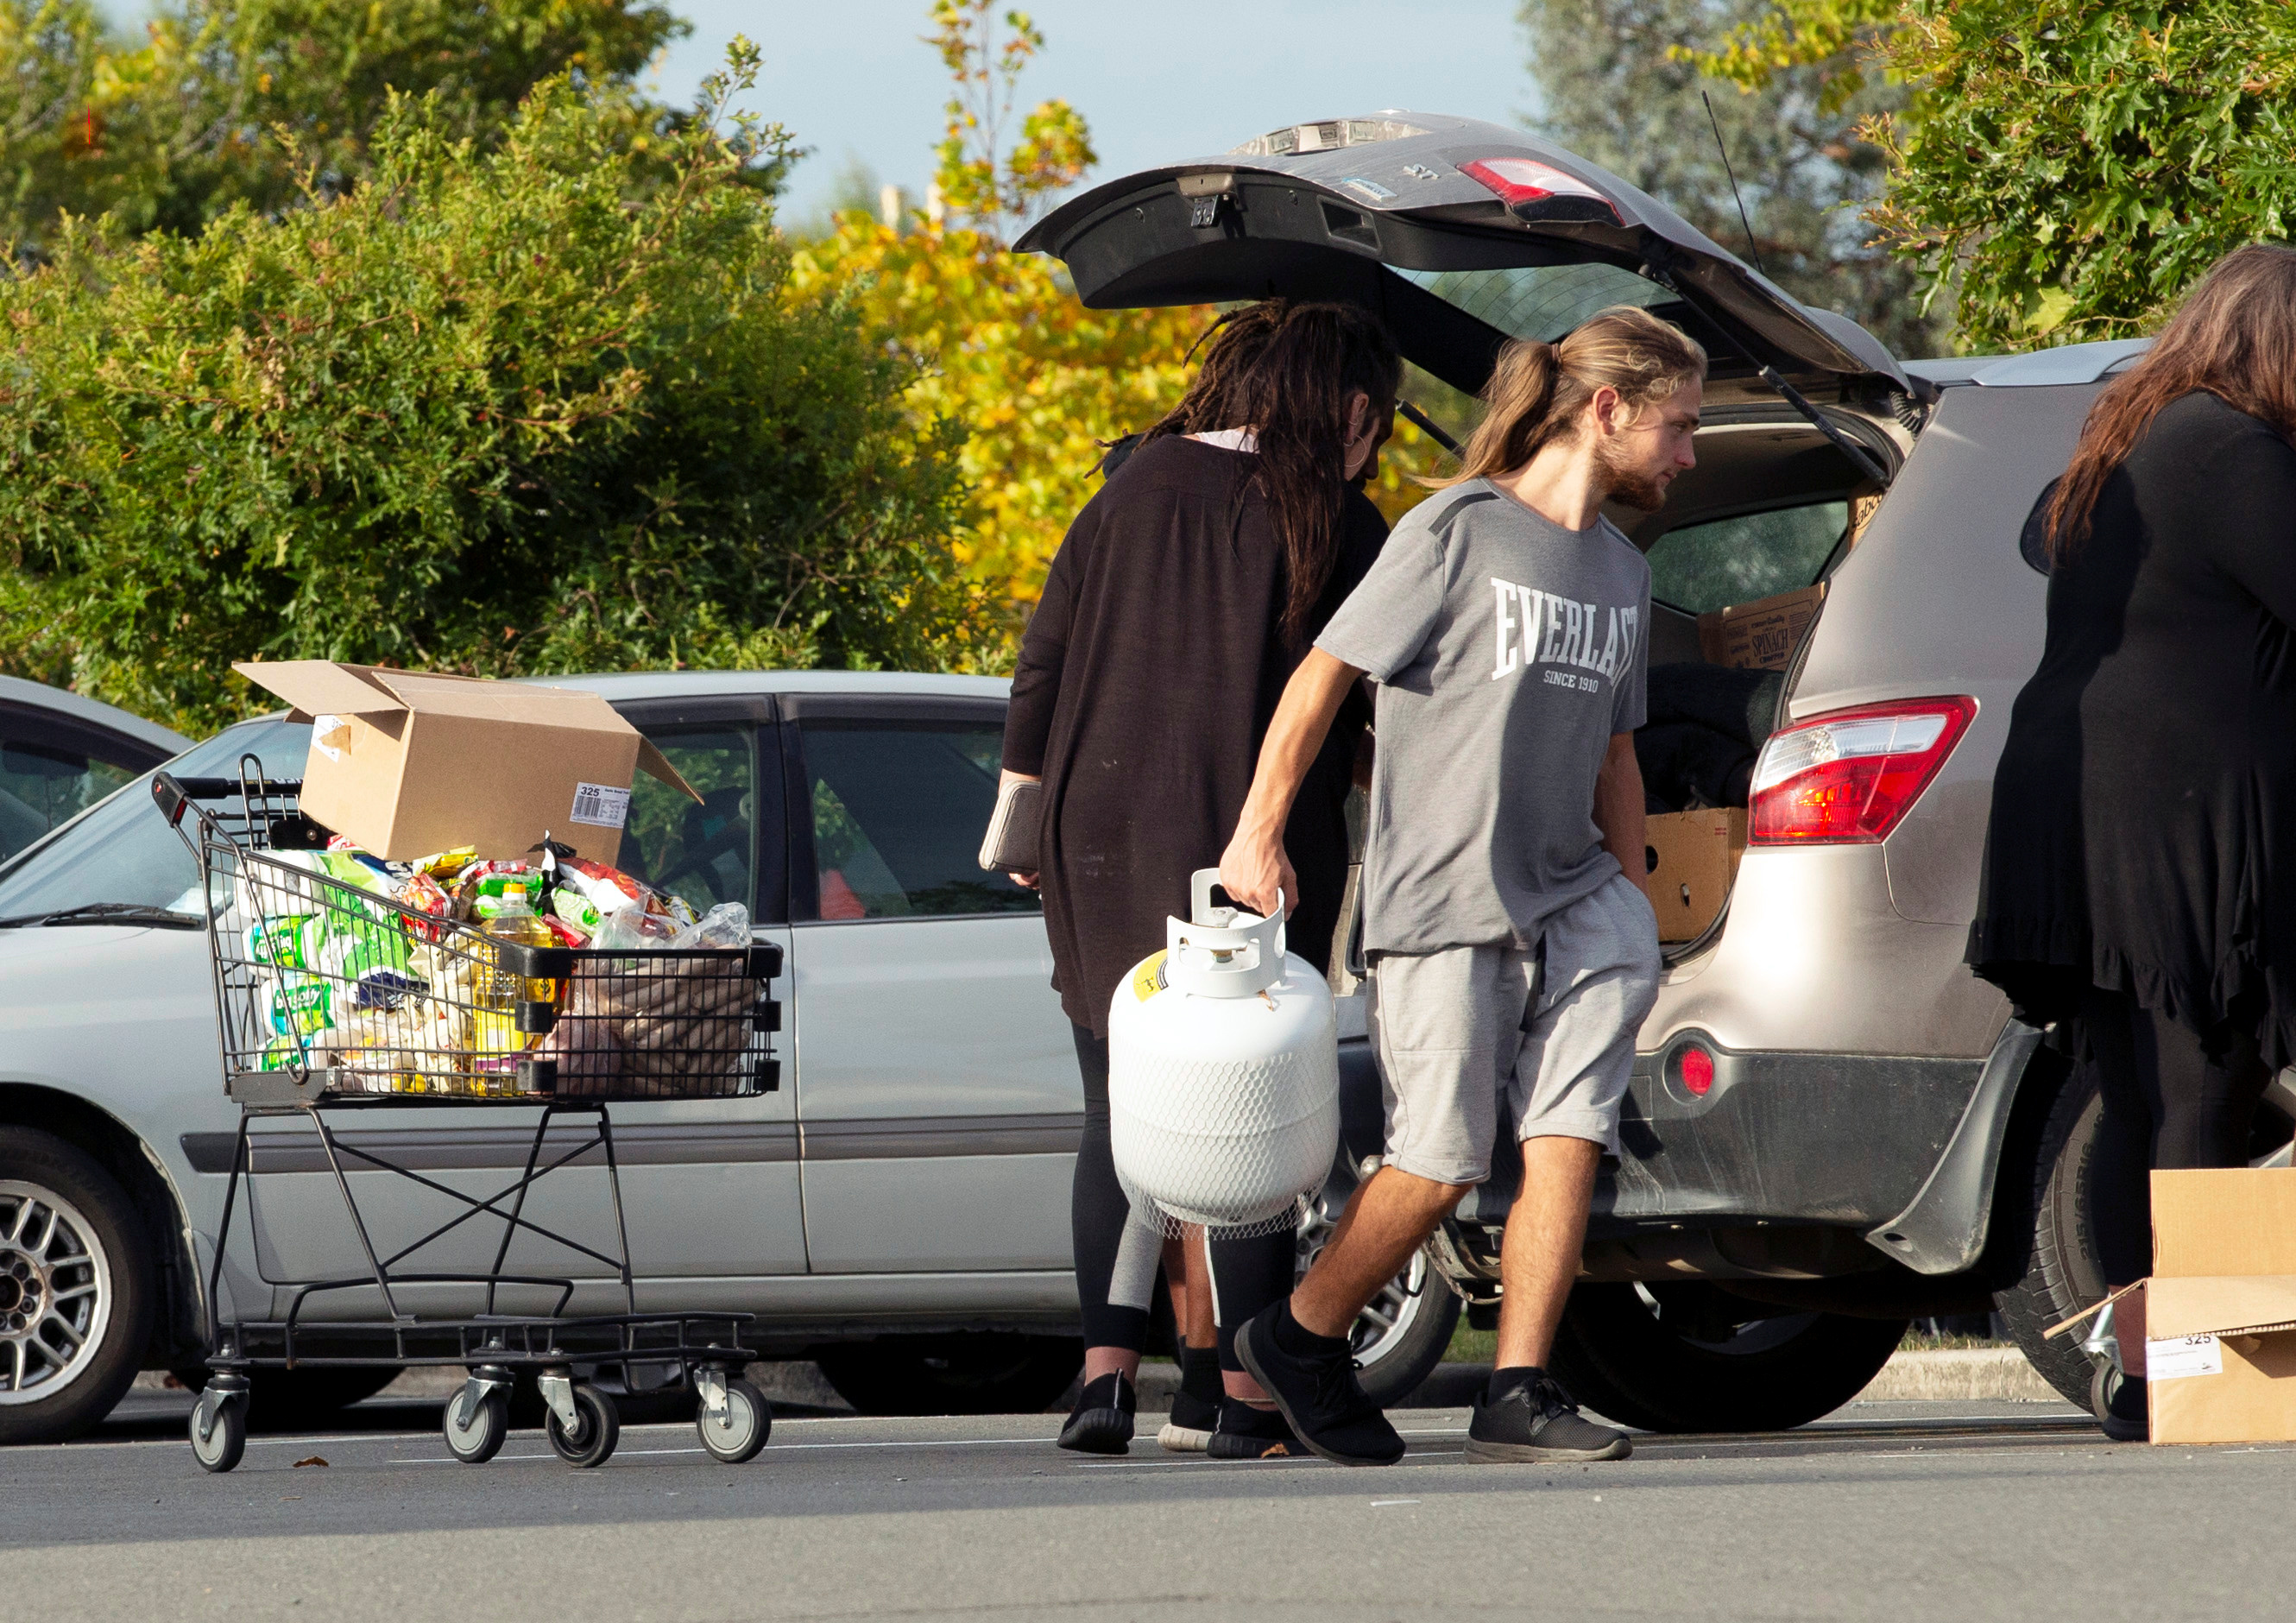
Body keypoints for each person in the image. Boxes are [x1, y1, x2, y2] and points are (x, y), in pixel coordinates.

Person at [1217, 306, 1705, 1467]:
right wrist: (1259, 832)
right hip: (1443, 899)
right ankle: (1298, 1334)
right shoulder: (1457, 530)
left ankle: (1520, 1386)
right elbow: (1325, 676)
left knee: (1570, 1134)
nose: (1687, 455)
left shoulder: (1625, 573)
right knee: (1438, 1163)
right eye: (1679, 428)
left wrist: (1632, 895)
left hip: (1577, 896)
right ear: (1608, 409)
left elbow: (1616, 753)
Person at [1000, 299, 1402, 1456]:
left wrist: (1024, 834)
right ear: (1355, 410)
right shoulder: (1333, 517)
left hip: (1095, 833)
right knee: (1249, 1118)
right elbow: (1376, 693)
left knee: (1115, 1111)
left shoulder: (1125, 491)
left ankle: (1102, 1382)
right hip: (1247, 843)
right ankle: (1243, 1401)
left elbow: (1041, 669)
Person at [1967, 244, 2296, 1442]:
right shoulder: (2229, 449)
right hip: (2174, 811)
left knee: (2139, 1086)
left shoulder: (2129, 440)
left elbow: (2031, 543)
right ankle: (2190, 1376)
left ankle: (2148, 1370)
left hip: (2074, 804)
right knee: (2205, 1078)